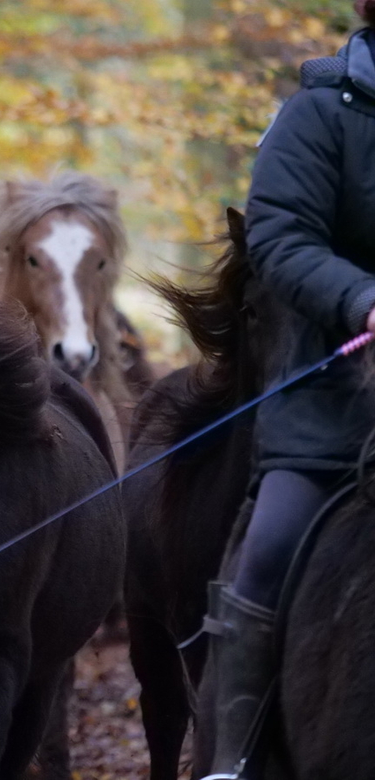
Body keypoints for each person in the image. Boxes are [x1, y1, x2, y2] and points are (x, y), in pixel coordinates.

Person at [203, 2, 375, 777]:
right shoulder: (319, 113)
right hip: (333, 409)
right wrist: (362, 299)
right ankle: (229, 759)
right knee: (265, 557)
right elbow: (278, 233)